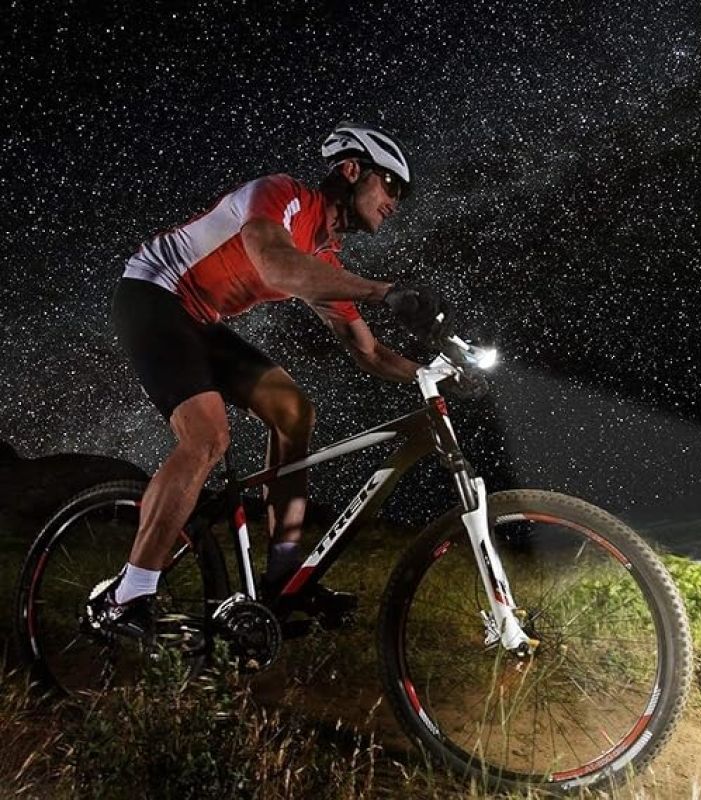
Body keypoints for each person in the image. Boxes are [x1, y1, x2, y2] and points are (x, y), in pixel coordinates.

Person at [89, 121, 450, 637]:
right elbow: (276, 266)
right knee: (207, 437)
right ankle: (127, 595)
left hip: (201, 321)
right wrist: (383, 290)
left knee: (294, 411)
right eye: (390, 183)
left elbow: (368, 352)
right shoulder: (282, 195)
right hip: (152, 295)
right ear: (352, 170)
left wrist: (435, 373)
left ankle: (283, 574)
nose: (396, 201)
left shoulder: (323, 259)